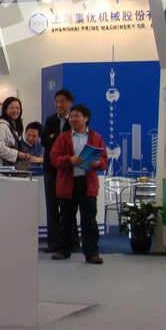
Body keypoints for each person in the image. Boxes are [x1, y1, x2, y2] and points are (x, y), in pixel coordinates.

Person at [49, 104, 107, 263]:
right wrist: (70, 160)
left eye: (76, 116)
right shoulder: (63, 138)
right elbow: (54, 159)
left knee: (89, 220)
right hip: (68, 183)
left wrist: (98, 163)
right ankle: (63, 250)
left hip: (87, 184)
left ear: (86, 118)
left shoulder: (95, 137)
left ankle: (92, 253)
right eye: (71, 116)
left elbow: (104, 160)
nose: (73, 119)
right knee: (66, 219)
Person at [41, 89, 74, 251]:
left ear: (70, 103)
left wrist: (55, 138)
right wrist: (58, 139)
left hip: (68, 170)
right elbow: (45, 141)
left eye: (62, 101)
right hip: (51, 169)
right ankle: (54, 242)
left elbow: (72, 143)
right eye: (56, 101)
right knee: (52, 206)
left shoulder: (74, 120)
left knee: (68, 207)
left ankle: (70, 241)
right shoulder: (50, 120)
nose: (58, 104)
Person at [0, 96, 37, 168]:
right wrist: (17, 154)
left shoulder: (15, 126)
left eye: (18, 108)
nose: (15, 111)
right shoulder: (2, 126)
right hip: (4, 169)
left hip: (14, 169)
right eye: (12, 108)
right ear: (5, 109)